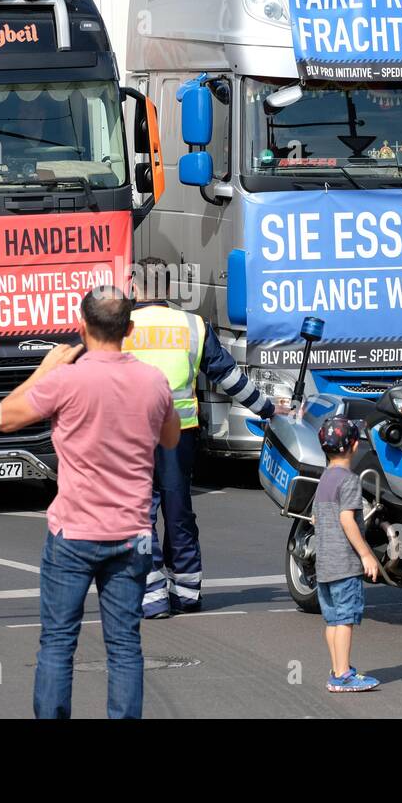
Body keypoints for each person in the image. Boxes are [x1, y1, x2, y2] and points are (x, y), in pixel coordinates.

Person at [0, 285, 180, 719]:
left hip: (74, 533)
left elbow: (1, 417)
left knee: (58, 642)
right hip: (133, 533)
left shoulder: (65, 380)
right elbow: (170, 439)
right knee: (125, 646)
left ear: (82, 326)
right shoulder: (154, 381)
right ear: (129, 329)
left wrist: (42, 370)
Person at [126, 258, 283, 619]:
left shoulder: (120, 326)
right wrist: (268, 410)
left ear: (133, 286)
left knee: (138, 515)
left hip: (132, 436)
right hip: (178, 436)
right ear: (169, 288)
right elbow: (229, 378)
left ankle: (151, 598)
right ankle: (186, 592)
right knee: (178, 510)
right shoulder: (191, 326)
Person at [313, 417, 382, 693]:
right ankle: (342, 675)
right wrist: (366, 554)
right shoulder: (350, 481)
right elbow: (347, 520)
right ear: (354, 446)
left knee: (333, 620)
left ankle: (337, 667)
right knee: (345, 620)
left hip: (325, 564)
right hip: (344, 564)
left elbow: (316, 519)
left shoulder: (325, 478)